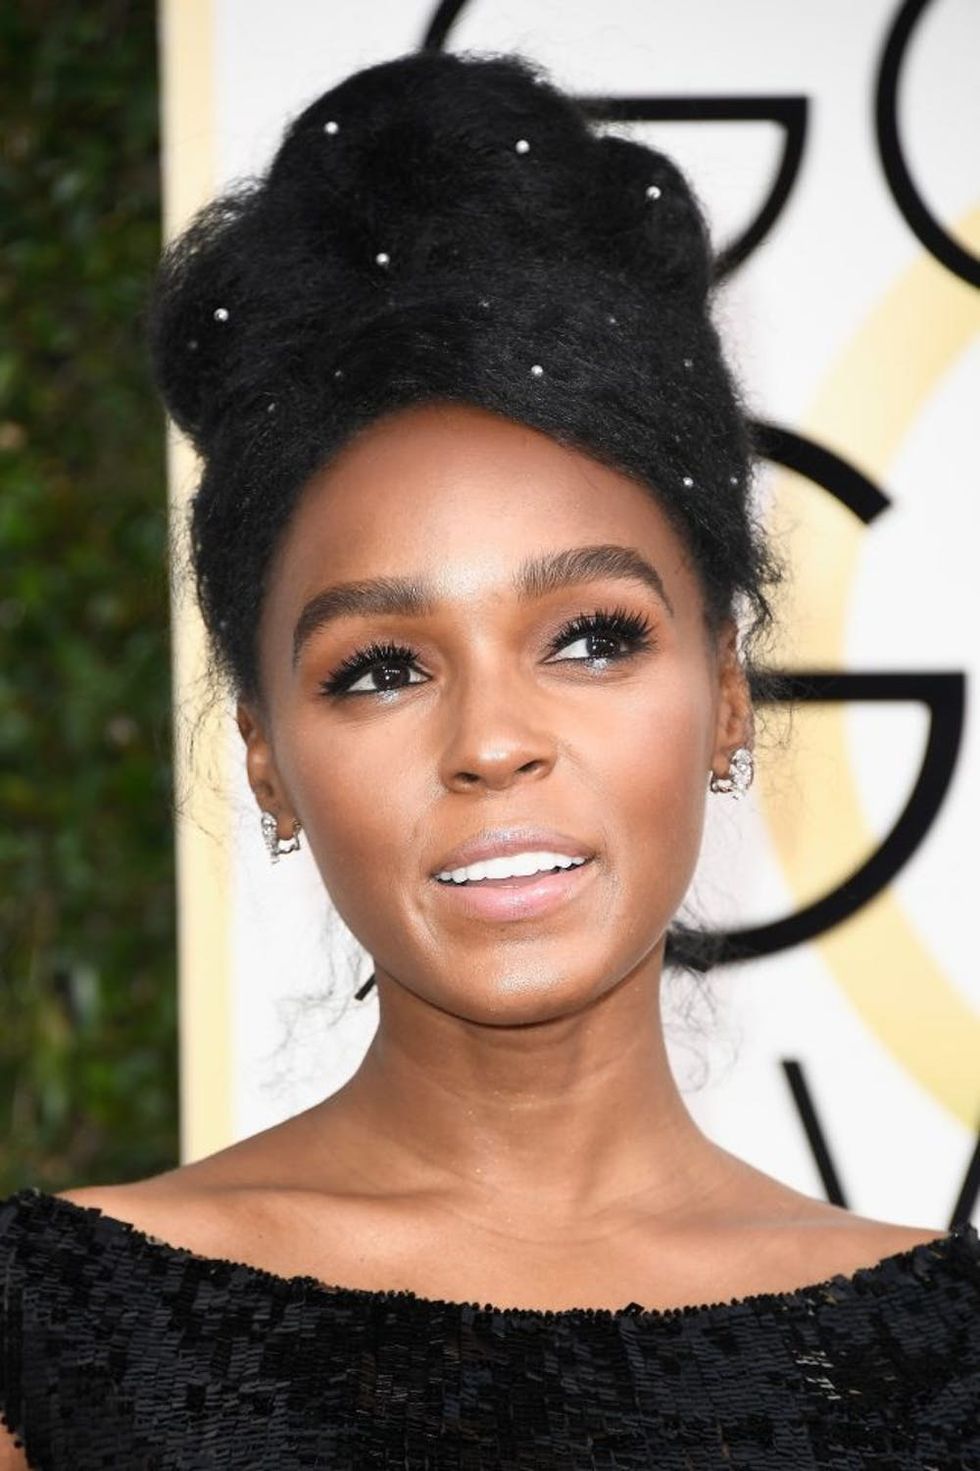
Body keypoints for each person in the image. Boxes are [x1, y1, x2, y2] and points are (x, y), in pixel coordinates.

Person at [1, 47, 977, 1470]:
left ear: (723, 695)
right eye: (379, 669)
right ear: (267, 759)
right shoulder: (54, 1342)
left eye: (589, 636)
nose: (494, 742)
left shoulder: (947, 1364)